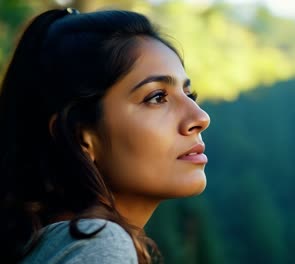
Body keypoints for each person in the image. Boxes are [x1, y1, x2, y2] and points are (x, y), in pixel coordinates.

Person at [0, 7, 210, 264]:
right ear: (81, 136)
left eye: (190, 96)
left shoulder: (57, 244)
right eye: (157, 97)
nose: (200, 118)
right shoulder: (98, 244)